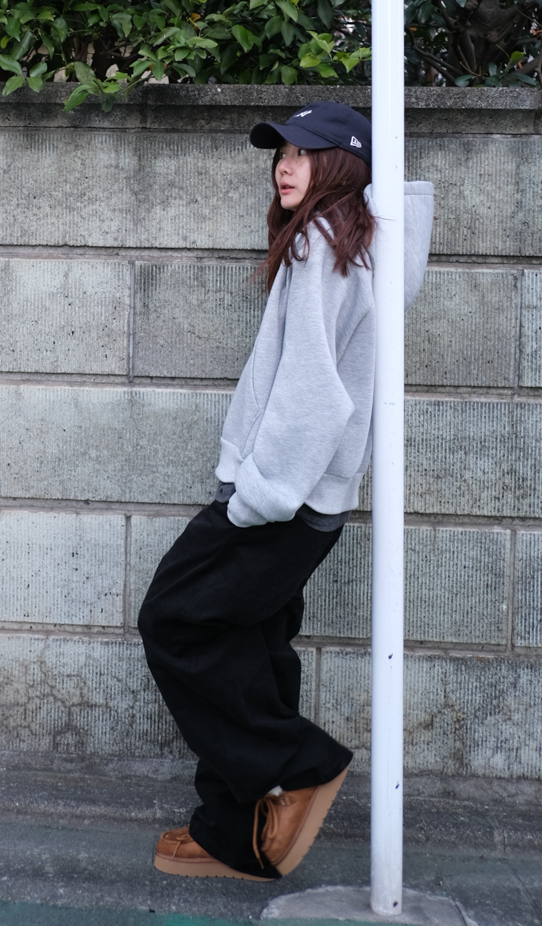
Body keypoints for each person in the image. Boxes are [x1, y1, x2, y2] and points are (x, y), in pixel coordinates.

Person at [138, 101, 434, 882]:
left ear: (343, 164)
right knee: (251, 645)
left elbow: (312, 391)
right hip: (311, 500)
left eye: (305, 152)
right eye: (280, 153)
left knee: (174, 620)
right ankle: (235, 833)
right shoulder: (357, 243)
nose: (285, 165)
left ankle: (297, 764)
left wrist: (258, 495)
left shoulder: (322, 243)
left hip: (281, 498)